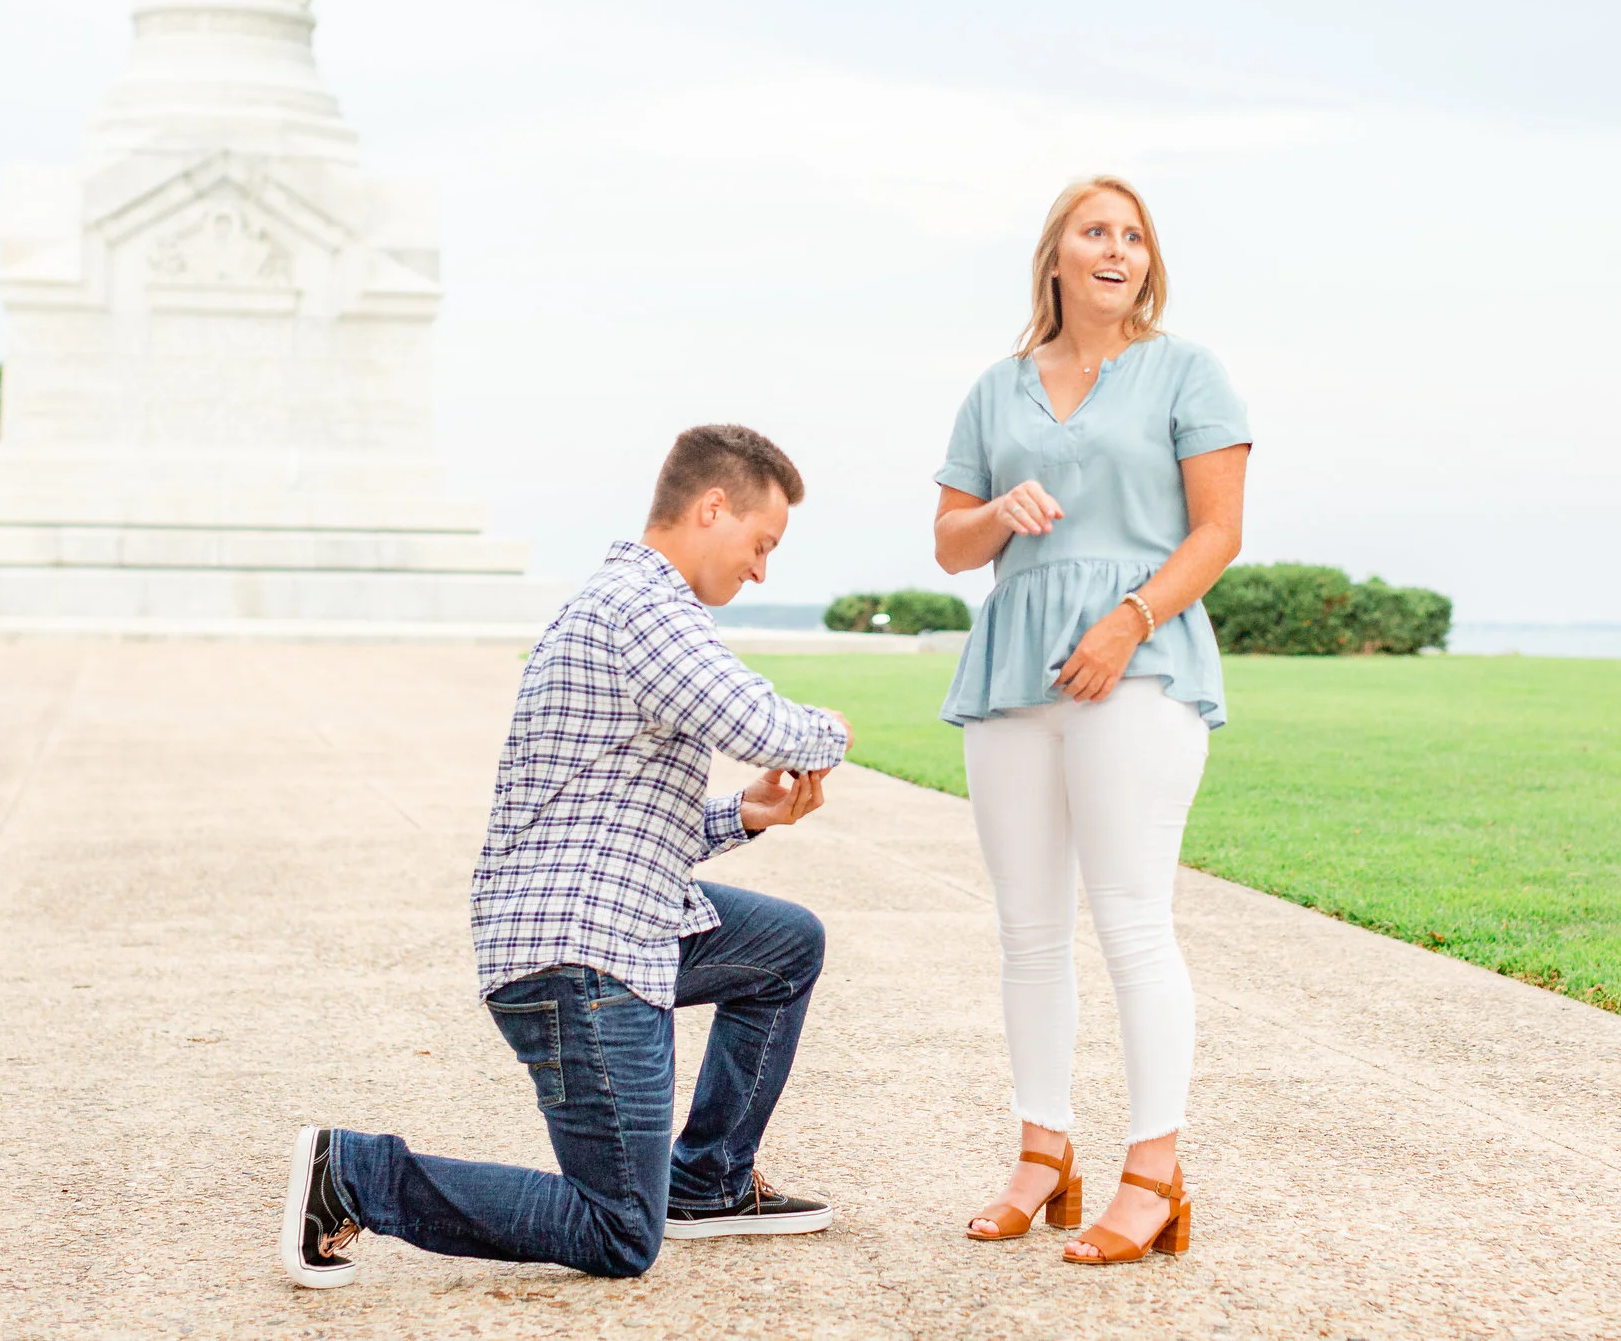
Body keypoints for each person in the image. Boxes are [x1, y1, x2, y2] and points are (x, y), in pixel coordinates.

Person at [280, 424, 855, 1287]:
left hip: (607, 915)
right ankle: (355, 1175)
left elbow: (622, 828)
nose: (762, 569)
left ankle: (707, 1182)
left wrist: (747, 813)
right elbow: (760, 723)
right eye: (761, 543)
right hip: (581, 955)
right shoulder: (644, 607)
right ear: (711, 507)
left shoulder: (624, 604)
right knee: (620, 1232)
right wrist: (831, 734)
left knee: (786, 945)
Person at [933, 176, 1251, 1266]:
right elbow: (951, 545)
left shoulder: (1187, 371)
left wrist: (1126, 620)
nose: (1116, 248)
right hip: (1012, 668)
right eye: (1095, 231)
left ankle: (1153, 1172)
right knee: (1027, 928)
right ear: (1056, 257)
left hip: (1140, 665)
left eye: (1133, 235)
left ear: (1146, 263)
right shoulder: (996, 387)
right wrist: (996, 510)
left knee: (1129, 916)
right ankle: (1042, 1153)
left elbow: (1217, 533)